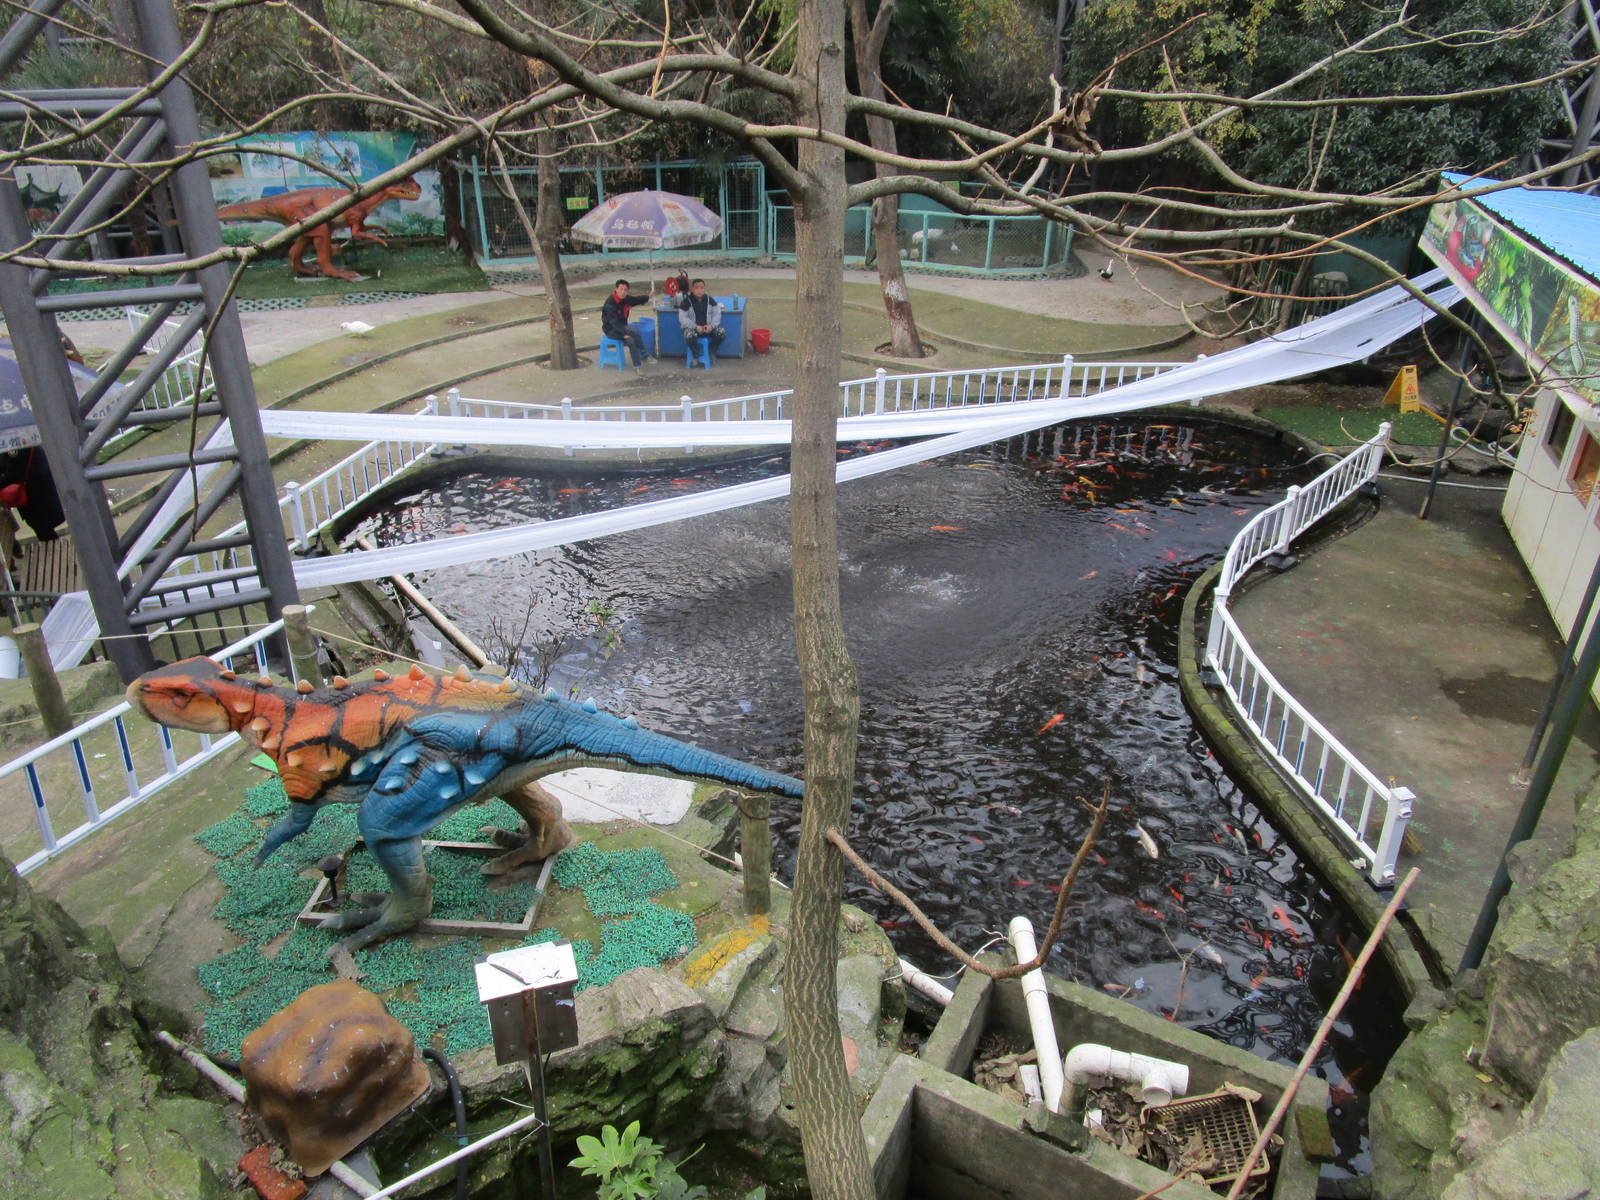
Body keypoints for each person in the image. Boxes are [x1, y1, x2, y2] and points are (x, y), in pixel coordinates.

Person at [600, 278, 655, 373]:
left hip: (622, 327)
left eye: (625, 290)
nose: (623, 292)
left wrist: (647, 297)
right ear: (616, 289)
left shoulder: (625, 299)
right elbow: (613, 322)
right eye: (621, 289)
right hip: (611, 329)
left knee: (633, 333)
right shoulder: (610, 303)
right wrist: (622, 334)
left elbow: (635, 300)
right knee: (631, 338)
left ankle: (642, 360)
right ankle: (640, 362)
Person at [677, 278, 725, 363]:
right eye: (696, 288)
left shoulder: (710, 300)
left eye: (702, 288)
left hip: (708, 329)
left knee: (721, 332)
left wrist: (711, 326)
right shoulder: (686, 301)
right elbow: (682, 318)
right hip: (693, 330)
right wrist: (695, 327)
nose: (699, 290)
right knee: (689, 335)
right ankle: (696, 354)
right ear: (692, 289)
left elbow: (717, 313)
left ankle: (711, 351)